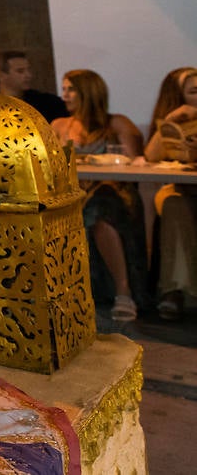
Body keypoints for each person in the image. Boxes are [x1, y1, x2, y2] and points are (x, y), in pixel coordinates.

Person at [51, 69, 146, 322]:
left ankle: (123, 291)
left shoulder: (117, 124)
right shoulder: (60, 126)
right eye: (64, 88)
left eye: (71, 89)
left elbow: (135, 164)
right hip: (73, 192)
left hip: (112, 190)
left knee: (101, 205)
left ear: (89, 92)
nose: (65, 95)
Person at [146, 67, 197, 320]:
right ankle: (176, 291)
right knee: (173, 204)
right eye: (194, 92)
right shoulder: (173, 119)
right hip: (178, 188)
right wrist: (171, 120)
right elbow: (151, 157)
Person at [0, 50, 66, 123]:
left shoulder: (47, 103)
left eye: (28, 69)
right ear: (1, 75)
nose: (28, 75)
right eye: (20, 71)